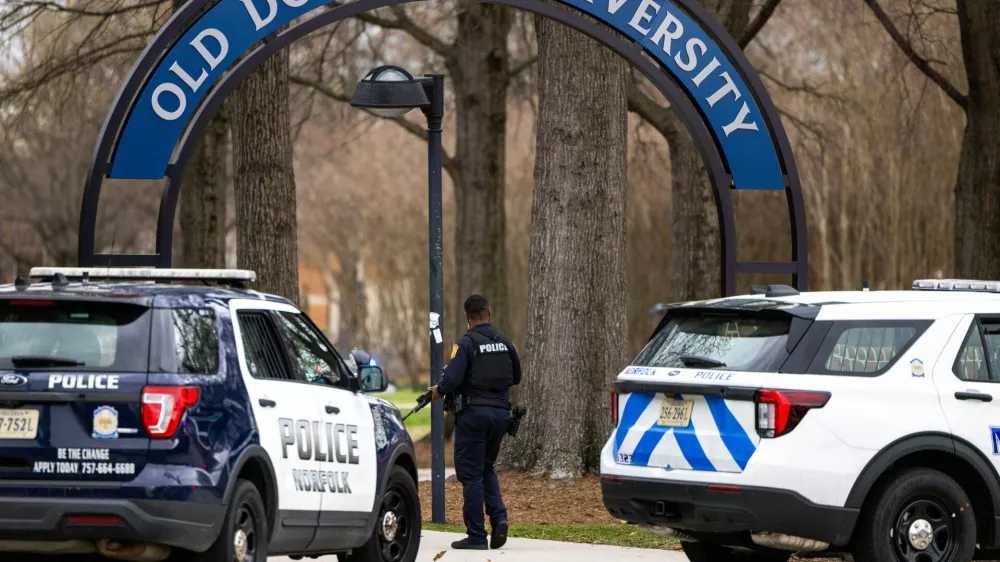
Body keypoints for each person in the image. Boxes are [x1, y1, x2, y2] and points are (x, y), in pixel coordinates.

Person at [429, 294, 521, 550]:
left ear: (467, 317)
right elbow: (517, 375)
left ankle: (477, 535)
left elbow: (452, 380)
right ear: (489, 311)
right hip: (501, 416)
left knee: (470, 475)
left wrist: (438, 390)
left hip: (473, 417)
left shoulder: (465, 344)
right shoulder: (505, 342)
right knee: (487, 467)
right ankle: (499, 518)